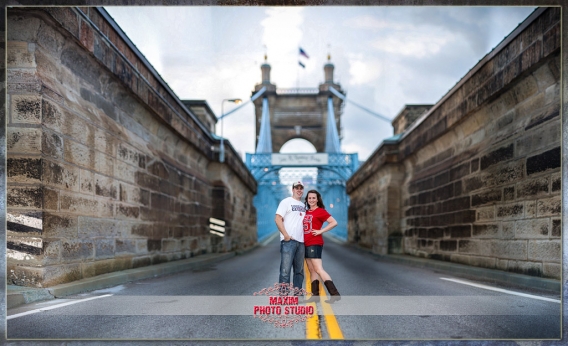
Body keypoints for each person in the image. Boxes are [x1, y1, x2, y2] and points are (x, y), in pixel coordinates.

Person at [302, 189, 341, 303]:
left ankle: (334, 293)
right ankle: (315, 296)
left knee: (318, 269)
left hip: (315, 242)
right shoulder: (306, 212)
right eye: (309, 198)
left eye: (314, 198)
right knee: (311, 270)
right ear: (307, 199)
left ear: (317, 199)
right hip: (306, 243)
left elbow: (334, 222)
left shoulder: (320, 211)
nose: (311, 200)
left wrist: (320, 231)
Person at [275, 180, 306, 295]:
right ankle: (284, 296)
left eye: (301, 188)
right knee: (285, 271)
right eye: (296, 188)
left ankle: (298, 295)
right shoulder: (286, 202)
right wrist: (286, 236)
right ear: (292, 189)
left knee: (299, 271)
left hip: (301, 242)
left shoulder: (304, 206)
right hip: (289, 242)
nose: (299, 190)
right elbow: (277, 219)